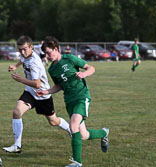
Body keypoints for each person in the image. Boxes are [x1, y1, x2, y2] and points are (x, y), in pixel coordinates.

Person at [37, 36, 109, 167]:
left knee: (73, 126)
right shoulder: (52, 69)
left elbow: (91, 68)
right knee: (83, 135)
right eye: (45, 54)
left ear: (56, 49)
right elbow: (59, 85)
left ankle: (77, 163)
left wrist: (84, 74)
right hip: (69, 101)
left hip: (81, 96)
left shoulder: (69, 59)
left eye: (49, 52)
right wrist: (46, 91)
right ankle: (104, 132)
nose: (47, 56)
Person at [2, 35, 71, 153]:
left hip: (42, 95)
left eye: (24, 49)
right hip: (30, 92)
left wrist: (21, 80)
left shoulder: (35, 63)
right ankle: (17, 146)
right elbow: (23, 59)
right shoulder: (26, 55)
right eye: (20, 50)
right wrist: (15, 66)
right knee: (16, 112)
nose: (22, 52)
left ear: (31, 47)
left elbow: (37, 84)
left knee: (53, 121)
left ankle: (70, 129)